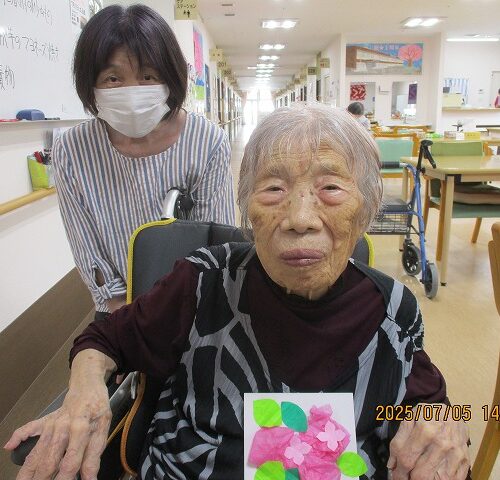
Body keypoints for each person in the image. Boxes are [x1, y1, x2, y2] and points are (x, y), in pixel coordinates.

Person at [6, 104, 470, 480]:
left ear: (366, 208)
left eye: (330, 187)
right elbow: (103, 340)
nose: (299, 218)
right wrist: (84, 395)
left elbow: (427, 401)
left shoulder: (392, 310)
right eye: (273, 189)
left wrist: (444, 422)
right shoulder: (202, 281)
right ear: (247, 209)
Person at [52, 4, 235, 317]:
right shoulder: (72, 151)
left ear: (170, 78)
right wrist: (127, 314)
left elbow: (217, 245)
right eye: (113, 78)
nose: (132, 93)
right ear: (90, 83)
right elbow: (87, 248)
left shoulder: (207, 142)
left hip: (192, 306)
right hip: (119, 310)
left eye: (148, 76)